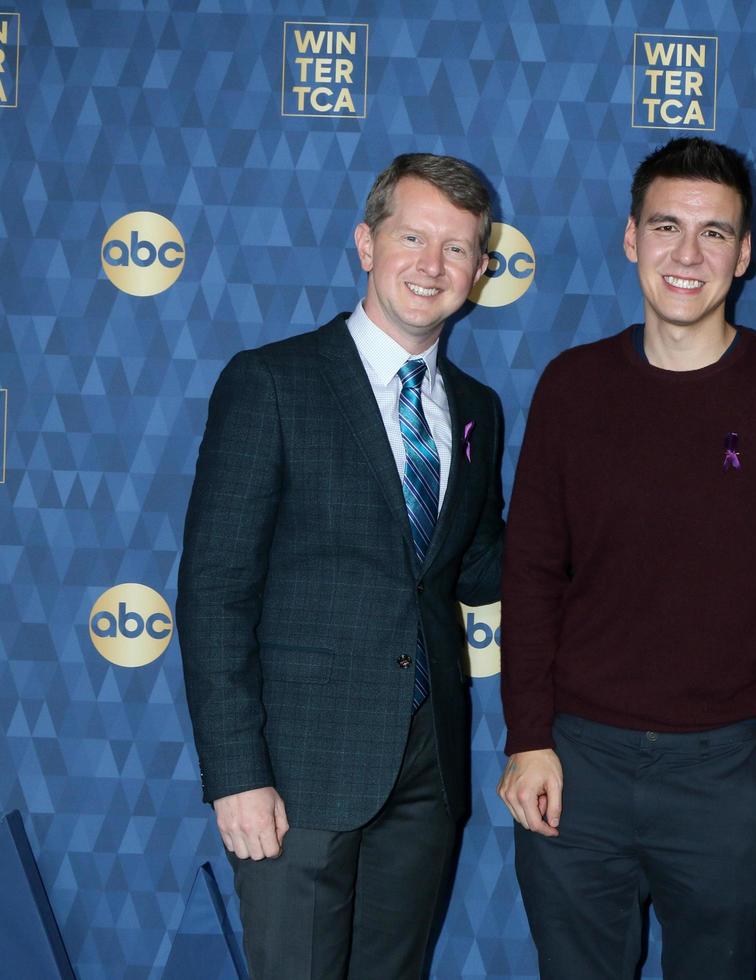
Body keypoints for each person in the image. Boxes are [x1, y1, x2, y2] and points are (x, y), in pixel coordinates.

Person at [497, 136, 756, 979]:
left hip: (729, 775)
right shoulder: (572, 387)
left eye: (713, 232)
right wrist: (528, 738)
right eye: (666, 227)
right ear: (631, 239)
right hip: (574, 767)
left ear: (746, 253)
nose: (686, 254)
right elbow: (532, 572)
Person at [177, 153, 506, 978]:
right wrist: (236, 776)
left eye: (457, 248)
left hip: (427, 769)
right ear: (366, 243)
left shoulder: (476, 410)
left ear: (480, 269)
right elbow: (215, 592)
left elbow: (474, 570)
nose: (431, 266)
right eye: (412, 237)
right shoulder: (272, 383)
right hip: (297, 776)